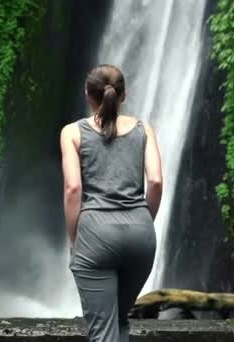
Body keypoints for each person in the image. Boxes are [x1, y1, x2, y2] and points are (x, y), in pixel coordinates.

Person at [60, 64, 163, 341]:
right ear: (124, 95)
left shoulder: (72, 132)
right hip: (141, 237)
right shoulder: (145, 129)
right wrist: (142, 219)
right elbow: (155, 181)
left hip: (95, 234)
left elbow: (73, 189)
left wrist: (75, 238)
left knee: (103, 332)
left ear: (87, 94)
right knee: (117, 321)